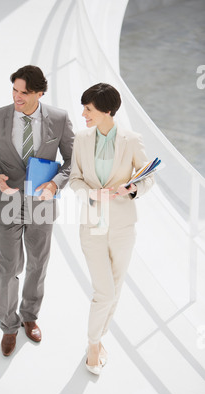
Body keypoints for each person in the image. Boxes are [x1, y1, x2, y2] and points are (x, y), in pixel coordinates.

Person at [0, 65, 74, 356]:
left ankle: (29, 316)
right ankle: (8, 326)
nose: (17, 97)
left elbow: (71, 161)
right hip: (6, 203)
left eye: (25, 92)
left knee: (37, 264)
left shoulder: (58, 119)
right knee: (8, 269)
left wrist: (55, 186)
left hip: (42, 205)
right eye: (15, 90)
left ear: (39, 93)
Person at [69, 83, 154, 375]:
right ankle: (93, 343)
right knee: (103, 291)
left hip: (122, 226)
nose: (83, 114)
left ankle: (100, 338)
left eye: (88, 109)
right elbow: (75, 180)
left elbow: (148, 179)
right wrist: (92, 194)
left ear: (107, 111)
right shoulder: (81, 139)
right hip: (92, 222)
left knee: (114, 289)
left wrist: (131, 190)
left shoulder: (131, 140)